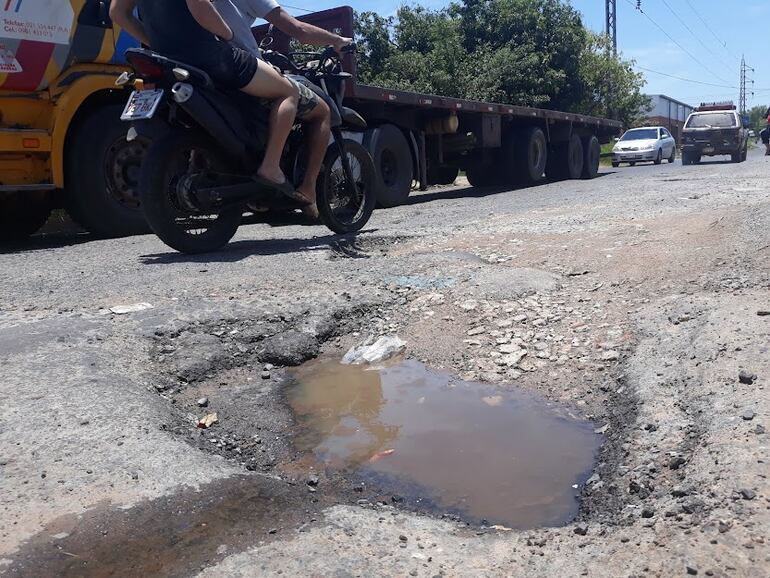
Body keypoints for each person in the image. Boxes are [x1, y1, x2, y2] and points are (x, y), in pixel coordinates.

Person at [109, 0, 326, 205]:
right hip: (207, 55)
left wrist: (154, 42)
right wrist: (227, 33)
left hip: (168, 59)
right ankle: (270, 166)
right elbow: (200, 7)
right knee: (288, 91)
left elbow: (117, 13)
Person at [213, 0, 352, 216]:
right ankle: (306, 187)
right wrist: (337, 40)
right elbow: (300, 31)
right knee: (321, 110)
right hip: (243, 69)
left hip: (214, 72)